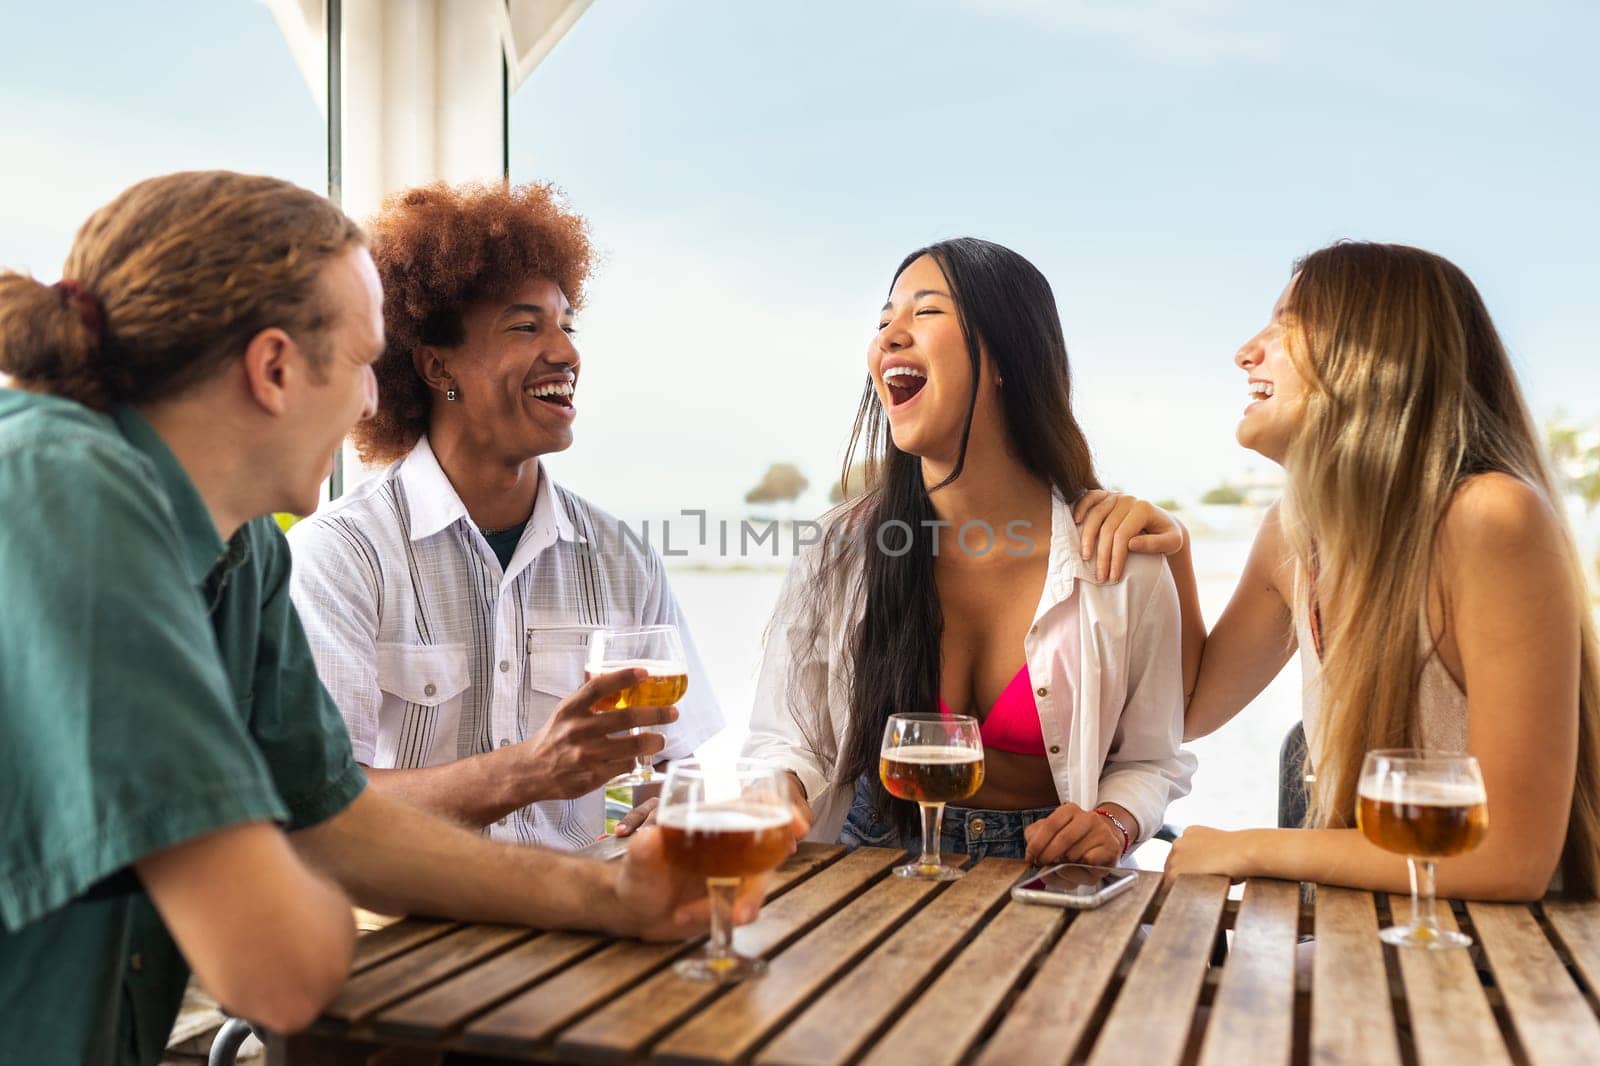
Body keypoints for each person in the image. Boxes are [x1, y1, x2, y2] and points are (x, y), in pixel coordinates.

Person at [0, 171, 765, 1065]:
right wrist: (292, 859)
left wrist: (612, 899)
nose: (371, 401)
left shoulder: (248, 555)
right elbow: (278, 963)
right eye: (365, 361)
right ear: (275, 367)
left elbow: (337, 817)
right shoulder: (60, 489)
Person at [1076, 241, 1600, 899]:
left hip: (1503, 962)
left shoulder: (1490, 518)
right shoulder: (1291, 536)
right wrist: (1176, 550)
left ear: (1375, 352)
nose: (1246, 350)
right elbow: (1188, 710)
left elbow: (1509, 857)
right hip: (1372, 939)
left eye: (1286, 322)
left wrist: (1247, 847)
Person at [287, 181, 723, 848]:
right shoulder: (341, 555)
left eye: (566, 325)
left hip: (589, 913)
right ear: (437, 366)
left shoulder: (620, 557)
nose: (566, 352)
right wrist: (529, 771)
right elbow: (326, 805)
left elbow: (679, 761)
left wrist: (672, 800)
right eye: (526, 326)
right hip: (412, 930)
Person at [745, 238, 1194, 865]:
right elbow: (786, 739)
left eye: (925, 312)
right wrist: (776, 791)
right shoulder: (840, 549)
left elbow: (1152, 757)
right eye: (883, 322)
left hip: (1049, 870)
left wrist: (1116, 822)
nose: (890, 337)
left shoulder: (1115, 556)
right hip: (868, 864)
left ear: (1008, 354)